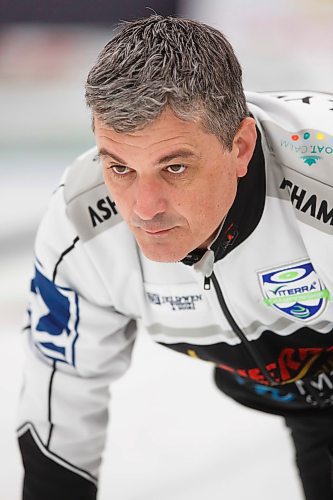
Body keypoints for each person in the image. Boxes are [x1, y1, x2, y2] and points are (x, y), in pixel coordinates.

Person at [18, 15, 333, 500]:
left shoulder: (324, 184)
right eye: (119, 167)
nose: (144, 209)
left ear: (240, 146)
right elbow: (62, 401)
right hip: (305, 401)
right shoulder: (82, 226)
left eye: (176, 167)